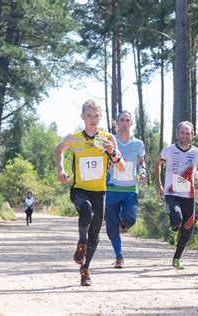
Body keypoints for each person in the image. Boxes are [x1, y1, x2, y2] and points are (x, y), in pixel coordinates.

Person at [54, 99, 124, 286]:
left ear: (100, 117)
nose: (93, 119)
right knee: (86, 213)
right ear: (83, 117)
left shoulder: (107, 138)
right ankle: (81, 242)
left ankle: (85, 269)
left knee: (95, 234)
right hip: (79, 189)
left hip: (99, 191)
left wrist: (112, 152)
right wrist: (60, 169)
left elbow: (121, 166)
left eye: (96, 116)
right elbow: (58, 150)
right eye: (89, 116)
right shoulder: (75, 137)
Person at [154, 121, 198, 270]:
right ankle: (173, 229)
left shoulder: (197, 153)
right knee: (177, 219)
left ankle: (176, 259)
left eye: (188, 133)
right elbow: (157, 163)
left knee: (188, 227)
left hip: (189, 195)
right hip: (172, 193)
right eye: (182, 132)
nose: (185, 135)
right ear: (177, 134)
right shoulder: (169, 150)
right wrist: (159, 185)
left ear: (192, 135)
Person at [105, 111, 147, 269]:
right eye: (121, 120)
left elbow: (141, 162)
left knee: (130, 220)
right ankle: (119, 256)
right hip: (111, 189)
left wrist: (143, 173)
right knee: (111, 228)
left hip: (130, 189)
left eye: (127, 120)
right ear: (117, 122)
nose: (124, 123)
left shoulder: (138, 144)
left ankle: (123, 223)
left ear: (131, 123)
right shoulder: (110, 140)